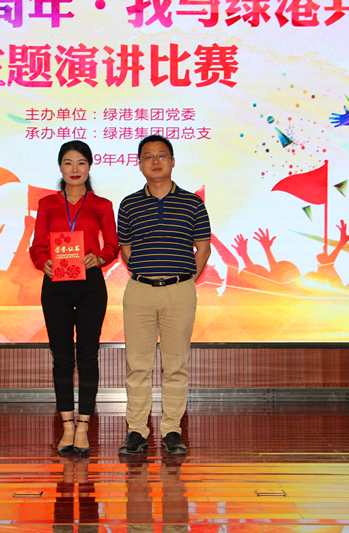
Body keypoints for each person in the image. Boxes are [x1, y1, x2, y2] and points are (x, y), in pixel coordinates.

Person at [116, 135, 211, 456]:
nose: (155, 161)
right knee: (137, 365)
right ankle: (137, 431)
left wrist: (183, 281)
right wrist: (149, 273)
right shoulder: (129, 204)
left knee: (176, 365)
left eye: (161, 155)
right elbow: (126, 250)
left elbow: (203, 248)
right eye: (148, 156)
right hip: (139, 291)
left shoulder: (192, 203)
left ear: (172, 161)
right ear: (140, 164)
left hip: (179, 291)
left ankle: (172, 429)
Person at [29, 140, 120, 456]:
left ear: (90, 166)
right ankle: (67, 426)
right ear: (60, 167)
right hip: (56, 283)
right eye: (68, 162)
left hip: (90, 283)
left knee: (88, 356)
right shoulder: (47, 204)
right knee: (62, 358)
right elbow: (37, 246)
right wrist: (44, 262)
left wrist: (101, 258)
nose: (75, 169)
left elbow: (113, 245)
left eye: (81, 162)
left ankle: (83, 427)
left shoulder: (102, 205)